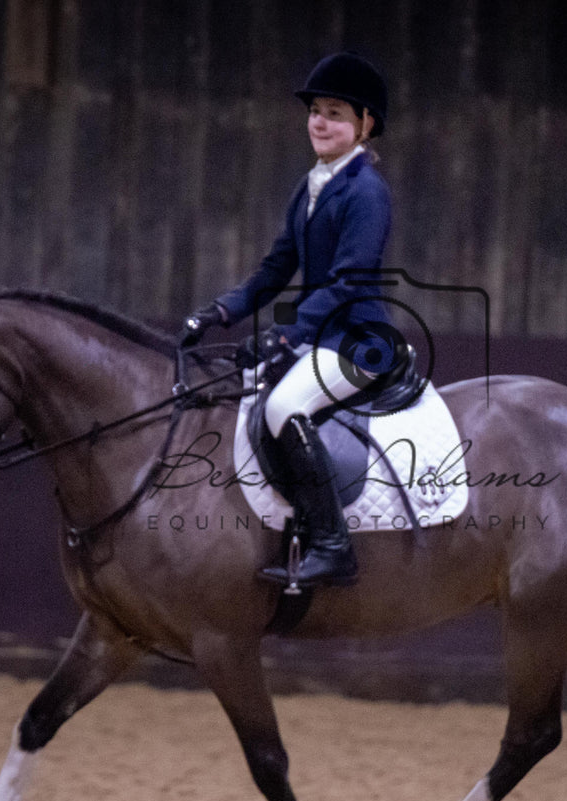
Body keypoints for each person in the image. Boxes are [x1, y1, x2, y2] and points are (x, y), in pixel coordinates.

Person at [182, 52, 393, 588]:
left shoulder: (366, 191)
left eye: (336, 114)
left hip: (359, 341)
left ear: (365, 124)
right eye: (316, 111)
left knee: (282, 404)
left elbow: (347, 283)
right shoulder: (312, 185)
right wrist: (221, 309)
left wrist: (285, 336)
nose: (321, 122)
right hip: (322, 336)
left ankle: (332, 546)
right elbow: (276, 268)